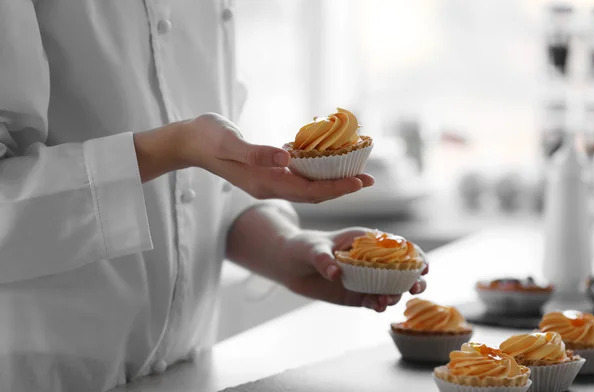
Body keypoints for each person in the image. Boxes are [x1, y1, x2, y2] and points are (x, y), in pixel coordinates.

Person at [0, 1, 428, 391]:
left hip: (187, 371)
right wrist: (171, 149)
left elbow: (204, 184)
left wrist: (284, 247)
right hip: (42, 374)